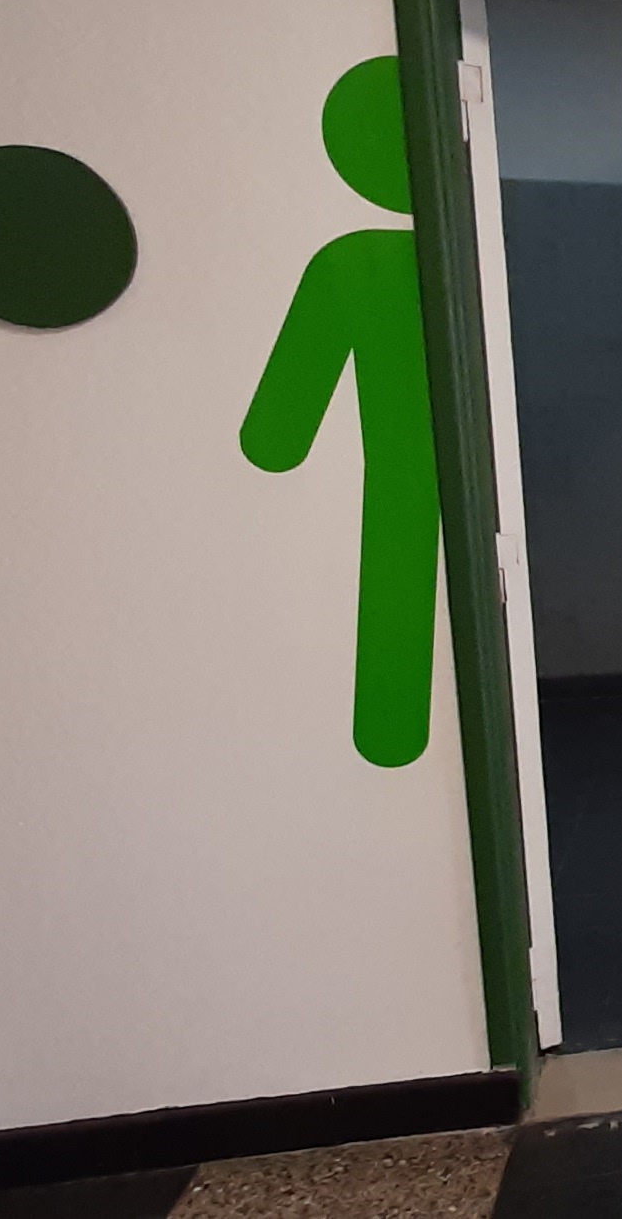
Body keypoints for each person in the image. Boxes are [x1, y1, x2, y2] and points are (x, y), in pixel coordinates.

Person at [242, 57, 439, 767]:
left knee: (394, 590)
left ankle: (389, 742)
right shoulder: (464, 260)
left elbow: (273, 438)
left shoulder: (348, 262)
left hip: (390, 483)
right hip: (467, 481)